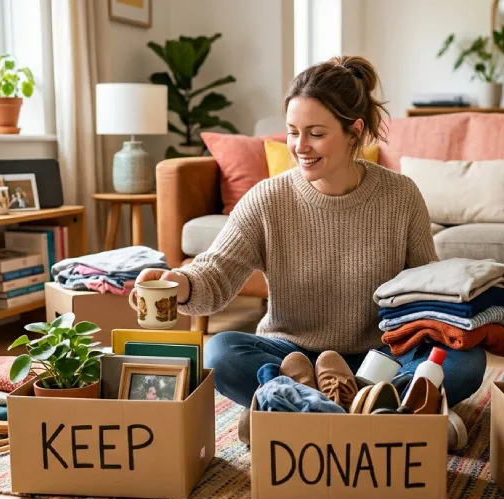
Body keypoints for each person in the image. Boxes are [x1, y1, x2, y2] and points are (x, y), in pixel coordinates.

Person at [136, 56, 485, 450]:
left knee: (467, 362)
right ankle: (389, 411)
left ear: (353, 132)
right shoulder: (269, 199)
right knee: (219, 352)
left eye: (315, 133)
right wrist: (179, 282)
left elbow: (427, 291)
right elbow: (216, 271)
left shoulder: (400, 195)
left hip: (379, 358)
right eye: (292, 132)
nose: (300, 147)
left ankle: (291, 404)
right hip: (293, 357)